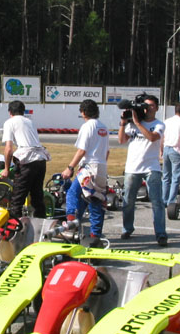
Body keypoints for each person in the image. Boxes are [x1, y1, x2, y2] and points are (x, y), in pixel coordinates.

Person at [117, 94, 167, 246]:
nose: (148, 108)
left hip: (151, 167)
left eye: (151, 105)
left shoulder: (159, 124)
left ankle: (160, 234)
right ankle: (127, 228)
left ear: (157, 108)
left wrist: (138, 123)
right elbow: (121, 140)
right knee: (128, 201)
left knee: (157, 202)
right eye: (145, 105)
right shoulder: (133, 123)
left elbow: (152, 138)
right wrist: (123, 123)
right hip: (132, 167)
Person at [61, 99, 109, 245]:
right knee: (95, 200)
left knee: (72, 193)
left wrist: (70, 167)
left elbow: (82, 150)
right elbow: (107, 152)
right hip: (101, 166)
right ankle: (95, 235)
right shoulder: (103, 127)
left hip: (89, 167)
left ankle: (71, 222)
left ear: (83, 112)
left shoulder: (87, 126)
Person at [1, 100, 49, 218]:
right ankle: (40, 225)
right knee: (37, 196)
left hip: (27, 160)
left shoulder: (10, 122)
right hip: (41, 159)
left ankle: (14, 228)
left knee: (17, 198)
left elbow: (8, 149)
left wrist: (6, 169)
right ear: (23, 111)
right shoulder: (30, 122)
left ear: (10, 112)